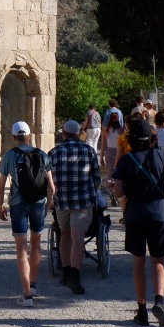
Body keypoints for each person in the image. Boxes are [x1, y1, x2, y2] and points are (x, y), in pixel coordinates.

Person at [115, 115, 164, 327]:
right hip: (159, 213)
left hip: (135, 214)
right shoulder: (162, 156)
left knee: (138, 262)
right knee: (158, 261)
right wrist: (163, 198)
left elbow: (118, 191)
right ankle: (159, 302)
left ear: (130, 139)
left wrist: (126, 204)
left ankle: (141, 310)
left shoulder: (126, 160)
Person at [0, 121, 55, 307]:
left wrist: (0, 205)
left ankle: (27, 294)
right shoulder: (42, 155)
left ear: (14, 137)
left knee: (22, 247)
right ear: (29, 135)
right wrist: (49, 205)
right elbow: (52, 187)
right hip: (38, 204)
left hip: (18, 204)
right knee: (36, 244)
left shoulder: (9, 156)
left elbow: (1, 186)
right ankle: (34, 284)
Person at [48, 117, 101, 295]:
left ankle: (67, 270)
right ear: (79, 134)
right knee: (78, 238)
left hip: (62, 201)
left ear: (63, 133)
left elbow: (49, 179)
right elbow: (96, 178)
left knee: (65, 235)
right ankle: (75, 276)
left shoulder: (54, 153)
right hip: (82, 201)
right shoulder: (88, 151)